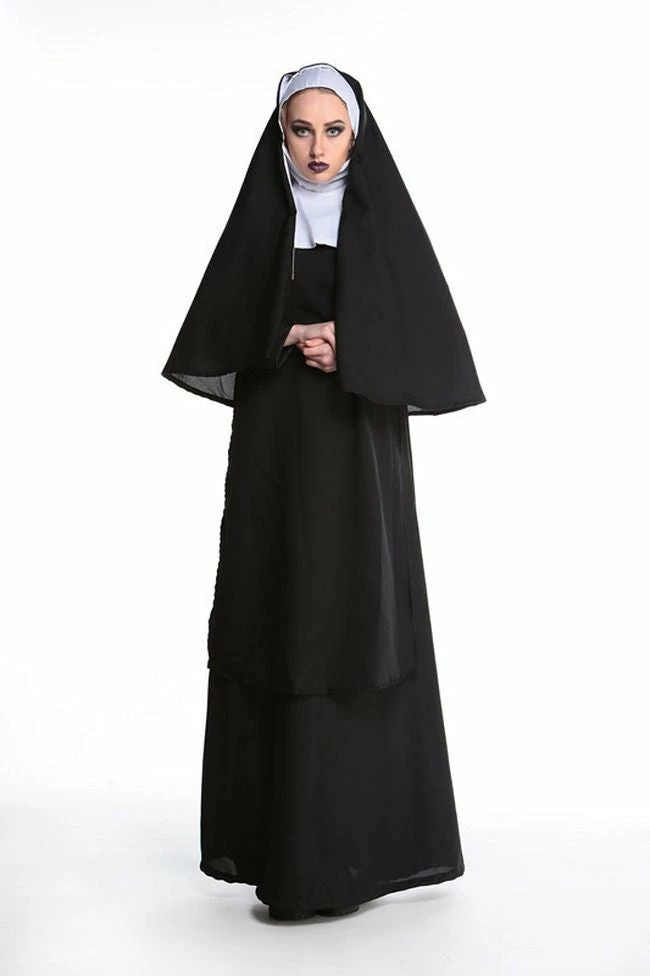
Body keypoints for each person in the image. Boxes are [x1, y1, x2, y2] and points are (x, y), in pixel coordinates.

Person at [161, 62, 486, 921]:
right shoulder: (262, 217)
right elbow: (219, 324)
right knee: (276, 606)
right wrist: (286, 333)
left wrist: (352, 344)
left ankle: (359, 850)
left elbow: (429, 336)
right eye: (301, 130)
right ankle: (281, 848)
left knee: (357, 613)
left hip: (357, 452)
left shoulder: (380, 220)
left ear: (357, 136)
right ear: (280, 134)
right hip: (274, 452)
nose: (316, 148)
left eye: (333, 131)